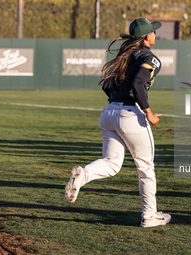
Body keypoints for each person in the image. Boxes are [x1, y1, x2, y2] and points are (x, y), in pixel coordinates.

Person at [64, 18, 171, 228]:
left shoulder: (126, 55)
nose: (155, 34)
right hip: (129, 115)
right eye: (153, 32)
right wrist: (148, 112)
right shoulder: (150, 57)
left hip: (109, 113)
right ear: (147, 36)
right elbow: (138, 82)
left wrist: (121, 104)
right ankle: (150, 216)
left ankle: (83, 175)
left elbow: (107, 84)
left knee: (112, 163)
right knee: (146, 169)